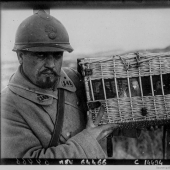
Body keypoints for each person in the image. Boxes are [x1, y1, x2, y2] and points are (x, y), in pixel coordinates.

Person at [1, 9, 142, 159]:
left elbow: (103, 118)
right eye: (40, 55)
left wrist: (139, 117)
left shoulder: (73, 78)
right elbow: (28, 164)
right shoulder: (7, 106)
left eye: (57, 55)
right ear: (20, 56)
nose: (51, 64)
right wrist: (89, 139)